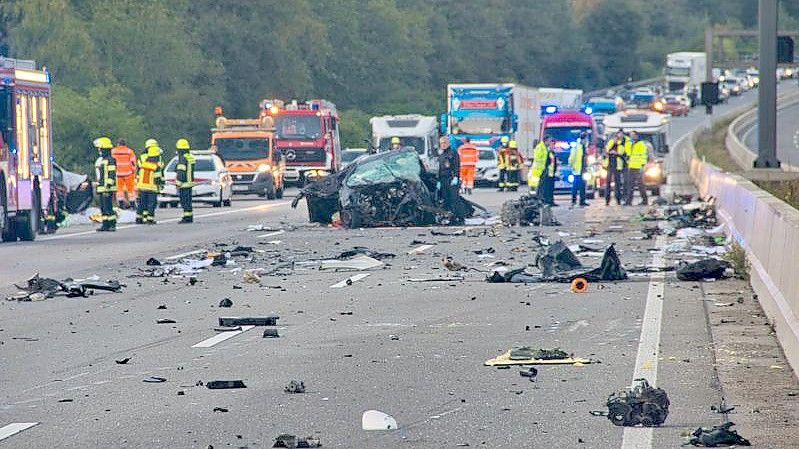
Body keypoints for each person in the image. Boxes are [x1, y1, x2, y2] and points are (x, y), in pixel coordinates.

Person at [437, 135, 465, 224]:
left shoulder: (453, 153)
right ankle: (451, 217)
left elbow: (457, 166)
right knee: (446, 199)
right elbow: (440, 169)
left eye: (444, 143)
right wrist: (438, 180)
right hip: (443, 180)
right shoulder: (441, 155)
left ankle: (460, 217)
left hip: (451, 179)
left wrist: (456, 177)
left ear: (448, 143)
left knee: (454, 199)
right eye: (441, 143)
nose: (443, 145)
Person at [136, 139, 163, 224]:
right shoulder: (156, 162)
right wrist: (161, 185)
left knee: (142, 203)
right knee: (151, 204)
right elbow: (158, 175)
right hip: (152, 186)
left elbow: (139, 169)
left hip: (141, 184)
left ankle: (140, 218)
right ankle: (149, 219)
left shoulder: (142, 158)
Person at [93, 137, 117, 232]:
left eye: (100, 148)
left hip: (107, 188)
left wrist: (108, 185)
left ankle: (112, 224)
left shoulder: (110, 160)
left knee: (108, 207)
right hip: (102, 188)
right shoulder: (103, 160)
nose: (99, 151)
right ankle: (105, 224)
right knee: (103, 207)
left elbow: (111, 174)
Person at [602, 131, 628, 205]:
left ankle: (618, 199)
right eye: (615, 138)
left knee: (618, 184)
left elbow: (622, 155)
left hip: (617, 167)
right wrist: (610, 152)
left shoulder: (621, 146)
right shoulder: (610, 144)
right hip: (609, 166)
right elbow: (605, 153)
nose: (616, 140)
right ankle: (607, 200)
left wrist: (616, 153)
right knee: (608, 184)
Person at [625, 131, 649, 205]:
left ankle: (645, 200)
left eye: (633, 135)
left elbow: (643, 155)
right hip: (631, 166)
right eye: (630, 135)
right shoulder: (630, 144)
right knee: (630, 185)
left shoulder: (641, 144)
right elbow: (628, 153)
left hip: (638, 167)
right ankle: (629, 201)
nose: (632, 137)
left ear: (637, 136)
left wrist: (642, 165)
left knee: (640, 185)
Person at [111, 138, 137, 209]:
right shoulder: (129, 151)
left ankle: (121, 205)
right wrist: (134, 172)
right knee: (130, 190)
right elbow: (133, 163)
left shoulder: (113, 151)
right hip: (128, 173)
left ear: (118, 144)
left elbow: (111, 161)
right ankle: (132, 205)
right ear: (125, 144)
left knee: (119, 190)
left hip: (118, 173)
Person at [175, 138, 196, 223]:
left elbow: (181, 172)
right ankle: (189, 216)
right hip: (189, 183)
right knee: (188, 201)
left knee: (184, 202)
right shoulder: (190, 157)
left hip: (184, 184)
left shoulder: (183, 159)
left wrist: (178, 183)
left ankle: (187, 217)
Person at [569, 132, 590, 206]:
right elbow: (571, 158)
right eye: (586, 138)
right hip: (577, 169)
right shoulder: (577, 146)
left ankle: (582, 201)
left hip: (583, 169)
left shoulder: (584, 146)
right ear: (583, 139)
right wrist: (572, 167)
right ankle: (574, 201)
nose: (587, 140)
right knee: (575, 186)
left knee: (582, 186)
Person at [538, 138, 558, 206]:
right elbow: (547, 162)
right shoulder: (547, 152)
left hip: (551, 173)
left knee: (551, 188)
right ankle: (547, 201)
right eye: (552, 144)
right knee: (547, 188)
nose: (553, 146)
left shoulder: (553, 153)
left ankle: (551, 201)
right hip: (547, 173)